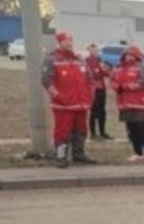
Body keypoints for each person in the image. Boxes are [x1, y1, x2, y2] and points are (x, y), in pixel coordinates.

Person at [42, 31, 95, 168]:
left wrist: (90, 96)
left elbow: (90, 79)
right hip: (63, 105)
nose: (69, 43)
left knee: (81, 129)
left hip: (81, 104)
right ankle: (61, 156)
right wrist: (59, 97)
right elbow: (46, 81)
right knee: (62, 131)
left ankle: (79, 154)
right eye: (66, 40)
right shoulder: (52, 59)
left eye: (71, 40)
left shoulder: (79, 59)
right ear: (60, 42)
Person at [113, 46, 144, 166]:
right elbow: (113, 81)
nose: (129, 57)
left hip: (141, 104)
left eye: (131, 55)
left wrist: (127, 87)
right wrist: (116, 87)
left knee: (142, 129)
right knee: (131, 130)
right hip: (125, 104)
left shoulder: (141, 68)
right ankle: (138, 152)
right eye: (126, 55)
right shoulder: (118, 69)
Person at [85, 44, 113, 141]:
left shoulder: (100, 60)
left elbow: (106, 72)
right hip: (93, 89)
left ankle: (102, 132)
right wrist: (98, 72)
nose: (94, 52)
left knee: (102, 111)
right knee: (94, 111)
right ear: (89, 51)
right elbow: (91, 74)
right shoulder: (86, 61)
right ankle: (93, 133)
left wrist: (100, 71)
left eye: (95, 50)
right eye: (92, 50)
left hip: (101, 87)